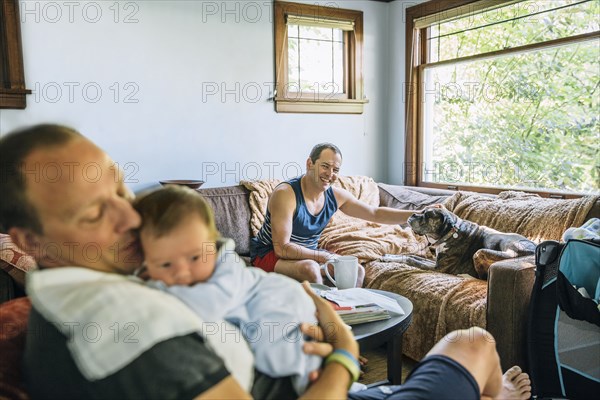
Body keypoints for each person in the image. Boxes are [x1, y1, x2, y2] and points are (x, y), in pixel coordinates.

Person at [0, 124, 531, 400]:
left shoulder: (97, 286)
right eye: (96, 212)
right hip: (283, 270)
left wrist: (416, 217)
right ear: (29, 239)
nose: (131, 215)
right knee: (476, 343)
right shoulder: (124, 327)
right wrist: (344, 351)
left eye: (120, 186)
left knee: (339, 278)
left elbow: (373, 210)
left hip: (294, 369)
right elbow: (279, 245)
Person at [132, 185, 321, 395]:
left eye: (194, 258)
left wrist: (157, 286)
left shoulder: (225, 269)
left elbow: (208, 307)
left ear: (212, 244)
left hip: (277, 302)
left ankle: (310, 378)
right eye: (165, 265)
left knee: (277, 356)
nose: (182, 273)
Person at [251, 143, 416, 287]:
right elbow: (282, 248)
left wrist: (418, 214)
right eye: (325, 166)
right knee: (311, 268)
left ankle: (349, 313)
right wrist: (322, 255)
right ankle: (323, 319)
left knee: (356, 270)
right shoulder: (286, 194)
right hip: (268, 254)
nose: (330, 174)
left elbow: (375, 213)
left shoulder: (335, 196)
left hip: (308, 253)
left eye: (335, 169)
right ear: (310, 164)